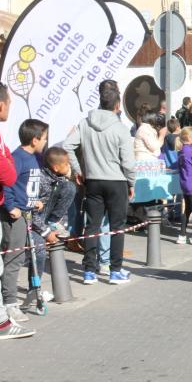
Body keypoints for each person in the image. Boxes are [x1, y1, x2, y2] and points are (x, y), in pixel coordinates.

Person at [64, 80, 136, 284]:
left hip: (93, 180)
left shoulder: (84, 122)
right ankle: (115, 271)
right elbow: (128, 163)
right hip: (116, 182)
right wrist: (132, 183)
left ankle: (89, 271)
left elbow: (67, 145)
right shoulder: (120, 128)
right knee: (117, 227)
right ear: (117, 105)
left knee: (92, 226)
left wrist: (79, 171)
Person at [0, 82, 35, 346]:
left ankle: (0, 321)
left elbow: (7, 168)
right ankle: (0, 320)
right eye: (9, 104)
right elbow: (8, 173)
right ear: (1, 105)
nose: (10, 108)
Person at [0, 119, 50, 323]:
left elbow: (27, 185)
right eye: (44, 139)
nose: (46, 142)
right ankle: (9, 303)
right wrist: (11, 206)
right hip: (16, 216)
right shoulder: (17, 158)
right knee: (14, 259)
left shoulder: (35, 159)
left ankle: (31, 292)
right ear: (34, 139)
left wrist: (35, 201)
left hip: (28, 213)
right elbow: (7, 183)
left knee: (32, 253)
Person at [22, 147, 75, 309]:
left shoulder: (58, 178)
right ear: (56, 167)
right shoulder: (41, 181)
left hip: (45, 217)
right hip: (32, 220)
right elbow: (31, 213)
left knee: (70, 187)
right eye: (67, 164)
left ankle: (52, 223)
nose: (69, 166)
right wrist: (46, 233)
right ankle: (34, 289)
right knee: (38, 251)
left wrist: (52, 225)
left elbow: (62, 200)